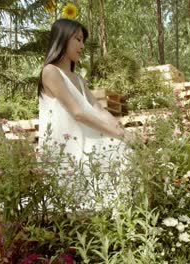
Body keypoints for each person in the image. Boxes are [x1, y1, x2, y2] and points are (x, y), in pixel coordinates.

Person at [37, 19, 131, 211]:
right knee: (122, 150)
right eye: (78, 39)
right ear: (62, 39)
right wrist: (119, 135)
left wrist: (120, 130)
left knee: (128, 149)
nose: (82, 45)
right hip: (68, 147)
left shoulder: (78, 79)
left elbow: (98, 109)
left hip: (86, 138)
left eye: (83, 41)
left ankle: (124, 211)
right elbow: (77, 113)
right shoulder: (50, 72)